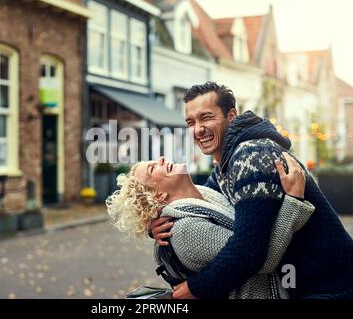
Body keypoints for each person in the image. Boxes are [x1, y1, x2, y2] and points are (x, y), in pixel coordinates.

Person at [150, 81, 353, 299]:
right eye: (191, 122)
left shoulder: (252, 155)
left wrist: (195, 289)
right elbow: (201, 202)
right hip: (303, 284)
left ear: (231, 116)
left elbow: (249, 252)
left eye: (207, 117)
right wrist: (155, 223)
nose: (198, 129)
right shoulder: (225, 166)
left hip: (330, 285)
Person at [106, 154, 314, 299]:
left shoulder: (206, 195)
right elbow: (260, 259)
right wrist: (294, 200)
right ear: (158, 196)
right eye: (153, 168)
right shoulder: (186, 230)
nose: (161, 159)